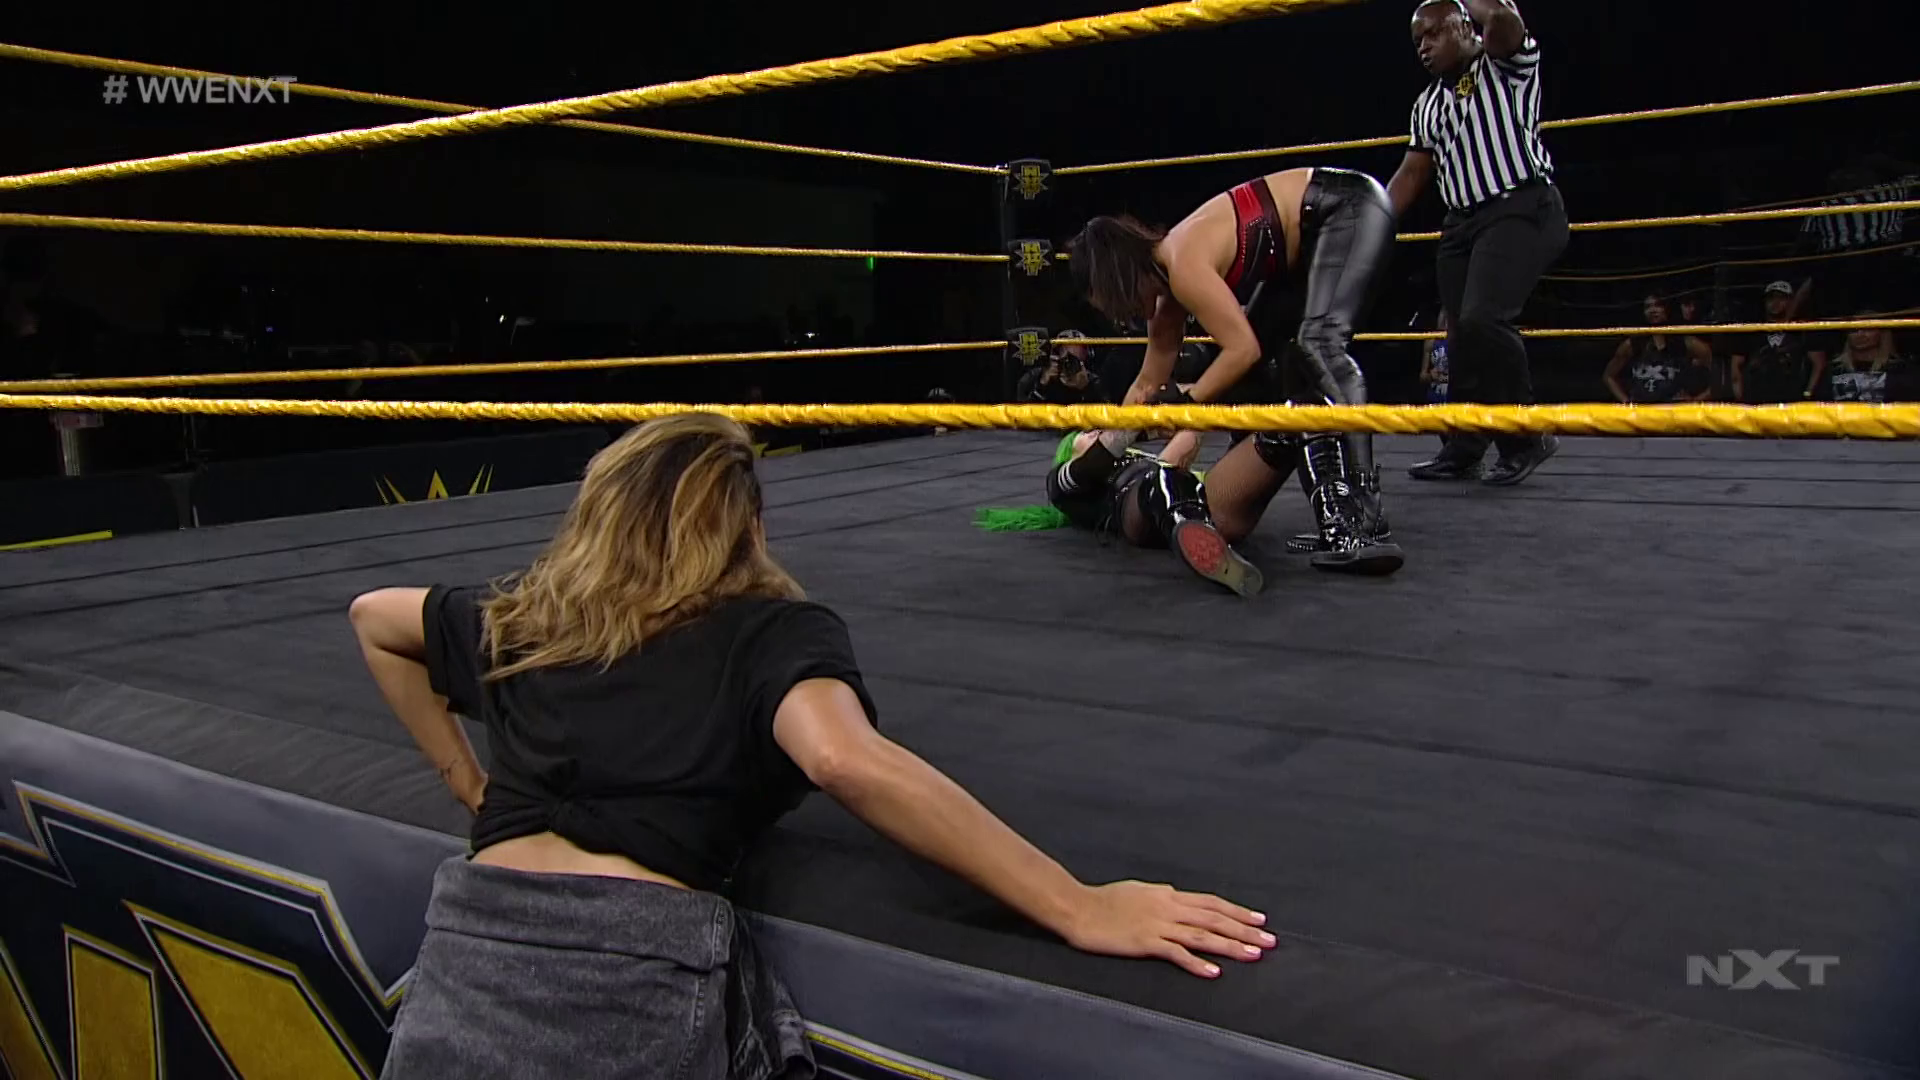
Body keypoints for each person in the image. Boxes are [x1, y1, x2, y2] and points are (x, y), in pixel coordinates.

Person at [350, 415, 1273, 1080]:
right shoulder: (767, 633)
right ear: (747, 528)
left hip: (471, 942)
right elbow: (843, 760)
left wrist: (471, 786)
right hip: (618, 965)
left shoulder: (525, 622)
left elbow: (374, 618)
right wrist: (1077, 905)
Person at [1065, 165, 1404, 574]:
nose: (1123, 317)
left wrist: (1189, 403)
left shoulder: (1182, 263)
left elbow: (1242, 348)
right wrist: (1116, 436)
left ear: (1119, 277)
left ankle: (1365, 519)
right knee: (1260, 377)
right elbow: (1147, 383)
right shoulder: (1167, 301)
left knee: (1319, 346)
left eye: (1114, 303)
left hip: (1343, 208)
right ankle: (1335, 516)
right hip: (1305, 248)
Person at [1388, 0, 1569, 486]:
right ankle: (1465, 444)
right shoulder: (1427, 105)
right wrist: (1370, 222)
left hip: (1520, 206)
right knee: (1459, 334)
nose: (1423, 47)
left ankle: (1525, 435)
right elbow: (1413, 173)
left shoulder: (1504, 64)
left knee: (1483, 319)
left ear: (1465, 26)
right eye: (1417, 41)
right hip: (1461, 224)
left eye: (1433, 34)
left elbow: (1505, 21)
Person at [1025, 426, 1265, 597]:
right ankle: (1197, 531)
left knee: (1274, 439)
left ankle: (1205, 534)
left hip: (1180, 497)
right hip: (1133, 512)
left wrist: (1189, 411)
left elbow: (1176, 456)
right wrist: (1134, 423)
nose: (1095, 432)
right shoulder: (1060, 483)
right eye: (1086, 435)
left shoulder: (1140, 460)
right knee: (1161, 479)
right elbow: (1092, 465)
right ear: (1068, 450)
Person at [1603, 295, 1713, 404]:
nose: (1653, 310)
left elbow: (1718, 376)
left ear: (1667, 308)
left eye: (1658, 305)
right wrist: (1626, 402)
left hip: (1674, 408)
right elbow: (1609, 376)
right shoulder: (1633, 343)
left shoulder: (1688, 342)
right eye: (1648, 307)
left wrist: (1695, 401)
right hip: (1641, 407)